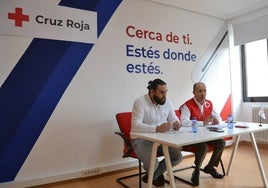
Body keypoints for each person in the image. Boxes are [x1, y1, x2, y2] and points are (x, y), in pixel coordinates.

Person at [131, 78, 183, 187]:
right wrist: (156, 128)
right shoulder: (140, 102)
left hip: (161, 139)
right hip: (141, 139)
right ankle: (154, 173)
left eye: (166, 92)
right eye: (162, 92)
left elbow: (173, 118)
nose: (165, 95)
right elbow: (135, 126)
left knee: (177, 157)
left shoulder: (167, 102)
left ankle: (152, 176)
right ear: (152, 92)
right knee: (153, 164)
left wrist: (176, 123)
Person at [180, 82, 225, 186]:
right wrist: (202, 123)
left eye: (205, 91)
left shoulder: (209, 103)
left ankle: (210, 167)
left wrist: (216, 120)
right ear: (194, 92)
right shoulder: (187, 105)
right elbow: (184, 122)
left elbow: (219, 117)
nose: (203, 94)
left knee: (221, 143)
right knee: (203, 147)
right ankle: (196, 171)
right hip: (191, 137)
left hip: (206, 135)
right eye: (200, 91)